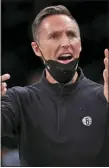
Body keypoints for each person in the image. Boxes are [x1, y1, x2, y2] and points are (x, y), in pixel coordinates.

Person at [1, 5, 109, 167]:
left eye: (72, 35)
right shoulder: (19, 99)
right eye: (54, 36)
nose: (66, 42)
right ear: (37, 49)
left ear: (80, 44)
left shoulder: (104, 96)